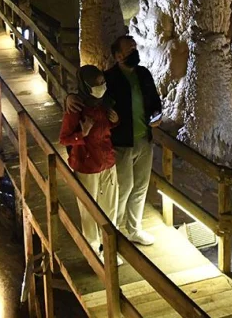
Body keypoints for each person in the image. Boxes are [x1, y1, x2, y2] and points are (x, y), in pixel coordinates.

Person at [66, 35, 162, 246]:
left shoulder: (143, 74)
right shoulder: (109, 78)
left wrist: (157, 114)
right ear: (118, 55)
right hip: (120, 142)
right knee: (123, 188)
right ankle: (115, 232)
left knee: (140, 187)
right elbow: (88, 95)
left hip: (144, 139)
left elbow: (154, 100)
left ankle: (134, 229)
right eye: (129, 50)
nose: (134, 52)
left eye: (135, 47)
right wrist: (69, 98)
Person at [59, 65, 123, 265]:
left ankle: (109, 248)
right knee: (89, 210)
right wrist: (82, 133)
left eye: (102, 82)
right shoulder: (76, 109)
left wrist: (115, 121)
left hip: (107, 162)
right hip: (87, 165)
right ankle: (94, 249)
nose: (101, 86)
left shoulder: (103, 104)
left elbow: (104, 129)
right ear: (86, 86)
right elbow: (64, 139)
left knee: (110, 207)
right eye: (97, 84)